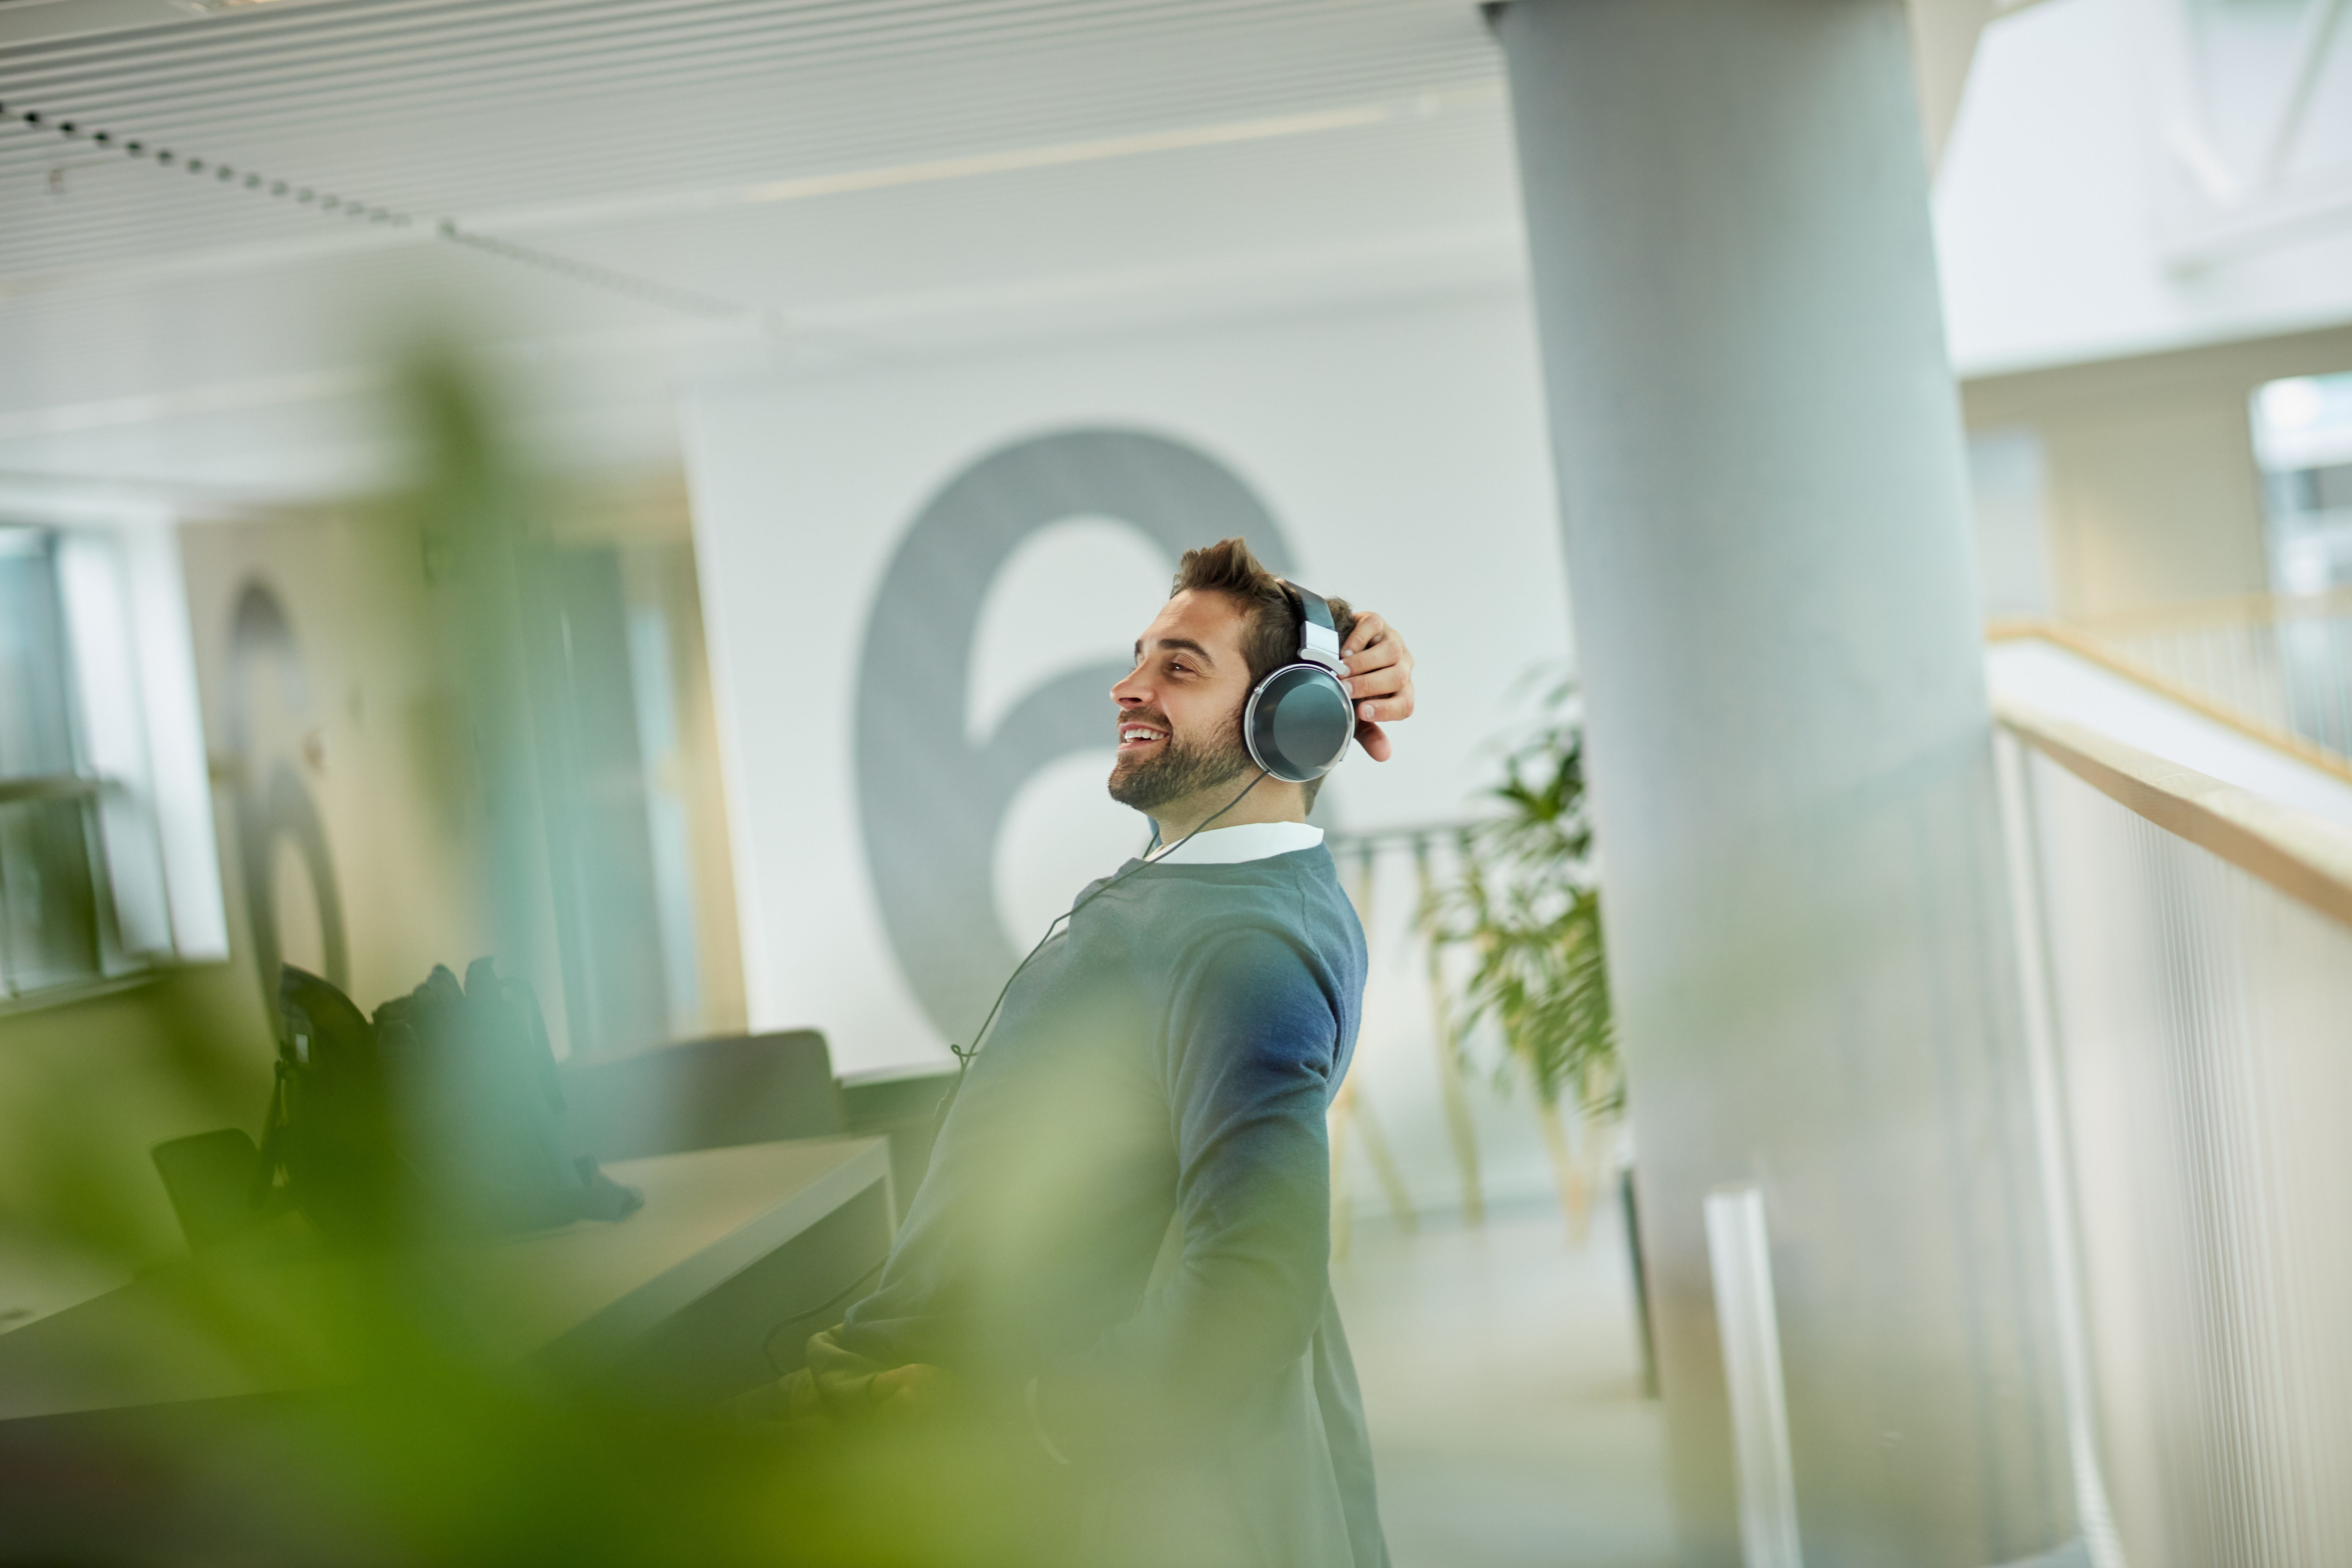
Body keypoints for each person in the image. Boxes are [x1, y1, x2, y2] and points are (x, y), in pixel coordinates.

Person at [785, 538, 1415, 1568]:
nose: (1128, 687)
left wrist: (1017, 1425)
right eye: (1139, 657)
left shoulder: (1243, 950)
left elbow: (1258, 1280)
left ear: (1289, 725)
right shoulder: (1205, 885)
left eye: (1179, 666)